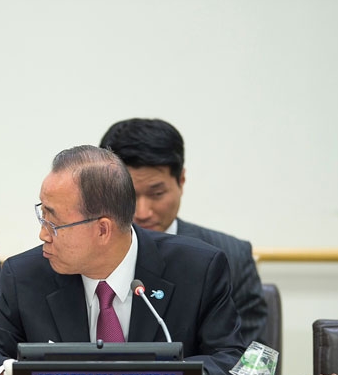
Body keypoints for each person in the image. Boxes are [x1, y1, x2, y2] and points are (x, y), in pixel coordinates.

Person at [0, 145, 246, 375]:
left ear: (102, 230)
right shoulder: (24, 275)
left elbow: (231, 358)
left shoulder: (197, 268)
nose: (42, 235)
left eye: (54, 223)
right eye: (42, 215)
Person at [100, 118, 267, 346]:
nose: (142, 211)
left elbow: (251, 363)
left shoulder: (231, 257)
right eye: (127, 195)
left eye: (157, 193)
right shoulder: (83, 255)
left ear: (181, 180)